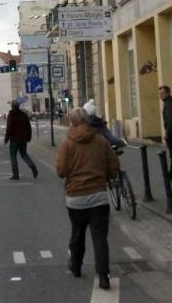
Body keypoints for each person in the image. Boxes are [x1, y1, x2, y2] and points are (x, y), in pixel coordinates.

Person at [55, 107, 120, 291]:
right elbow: (114, 165)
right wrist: (105, 177)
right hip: (99, 197)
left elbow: (60, 171)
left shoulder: (67, 143)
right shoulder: (100, 141)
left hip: (76, 198)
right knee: (100, 238)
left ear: (73, 122)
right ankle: (104, 276)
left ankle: (76, 266)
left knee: (78, 233)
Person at [4, 100, 38, 180]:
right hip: (23, 138)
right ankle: (32, 165)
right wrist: (29, 137)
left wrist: (6, 139)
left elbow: (9, 128)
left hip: (14, 139)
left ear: (12, 106)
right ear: (18, 106)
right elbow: (28, 127)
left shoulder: (11, 115)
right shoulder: (23, 115)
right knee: (24, 154)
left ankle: (15, 175)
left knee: (13, 156)